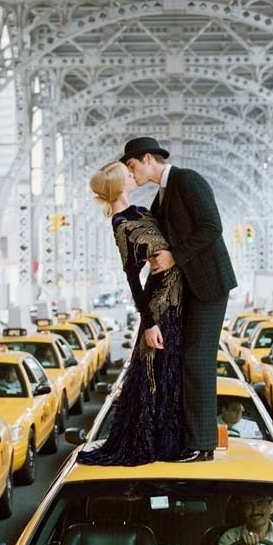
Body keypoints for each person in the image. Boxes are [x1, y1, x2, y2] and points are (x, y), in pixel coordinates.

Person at [122, 136, 237, 463]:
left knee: (197, 359)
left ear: (147, 159)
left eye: (132, 167)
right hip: (190, 288)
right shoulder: (162, 197)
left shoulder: (187, 179)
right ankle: (187, 438)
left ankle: (202, 446)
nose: (133, 175)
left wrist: (175, 256)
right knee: (183, 357)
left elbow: (212, 227)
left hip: (209, 285)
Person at [78, 159, 185, 465]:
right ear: (118, 184)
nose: (132, 175)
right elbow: (131, 276)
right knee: (156, 371)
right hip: (160, 303)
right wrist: (148, 323)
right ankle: (155, 441)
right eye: (127, 174)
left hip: (175, 293)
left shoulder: (140, 211)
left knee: (168, 370)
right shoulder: (121, 223)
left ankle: (169, 439)